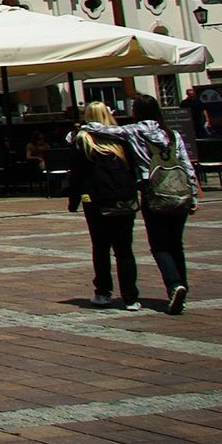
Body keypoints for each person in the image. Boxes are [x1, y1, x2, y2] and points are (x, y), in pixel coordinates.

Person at [79, 93, 198, 314]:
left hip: (153, 194)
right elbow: (187, 165)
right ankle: (181, 287)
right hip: (179, 194)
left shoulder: (135, 130)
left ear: (137, 112)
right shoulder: (172, 134)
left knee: (160, 245)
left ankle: (174, 285)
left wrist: (83, 127)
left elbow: (103, 130)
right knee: (176, 244)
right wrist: (193, 196)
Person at [68, 102, 142, 310]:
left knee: (101, 248)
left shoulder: (83, 138)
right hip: (123, 199)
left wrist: (73, 201)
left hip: (96, 200)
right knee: (124, 250)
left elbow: (77, 173)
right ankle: (131, 297)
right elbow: (134, 167)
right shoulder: (120, 137)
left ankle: (103, 293)